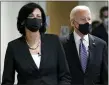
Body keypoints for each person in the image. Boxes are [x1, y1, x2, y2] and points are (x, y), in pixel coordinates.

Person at [1, 3, 71, 85]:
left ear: (42, 22)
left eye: (38, 16)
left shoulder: (54, 41)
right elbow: (7, 81)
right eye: (31, 16)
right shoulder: (13, 47)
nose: (35, 19)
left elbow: (65, 75)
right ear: (23, 21)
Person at [61, 5, 108, 85]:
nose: (87, 22)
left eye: (89, 19)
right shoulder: (61, 44)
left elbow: (104, 77)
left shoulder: (101, 45)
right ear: (73, 22)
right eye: (83, 19)